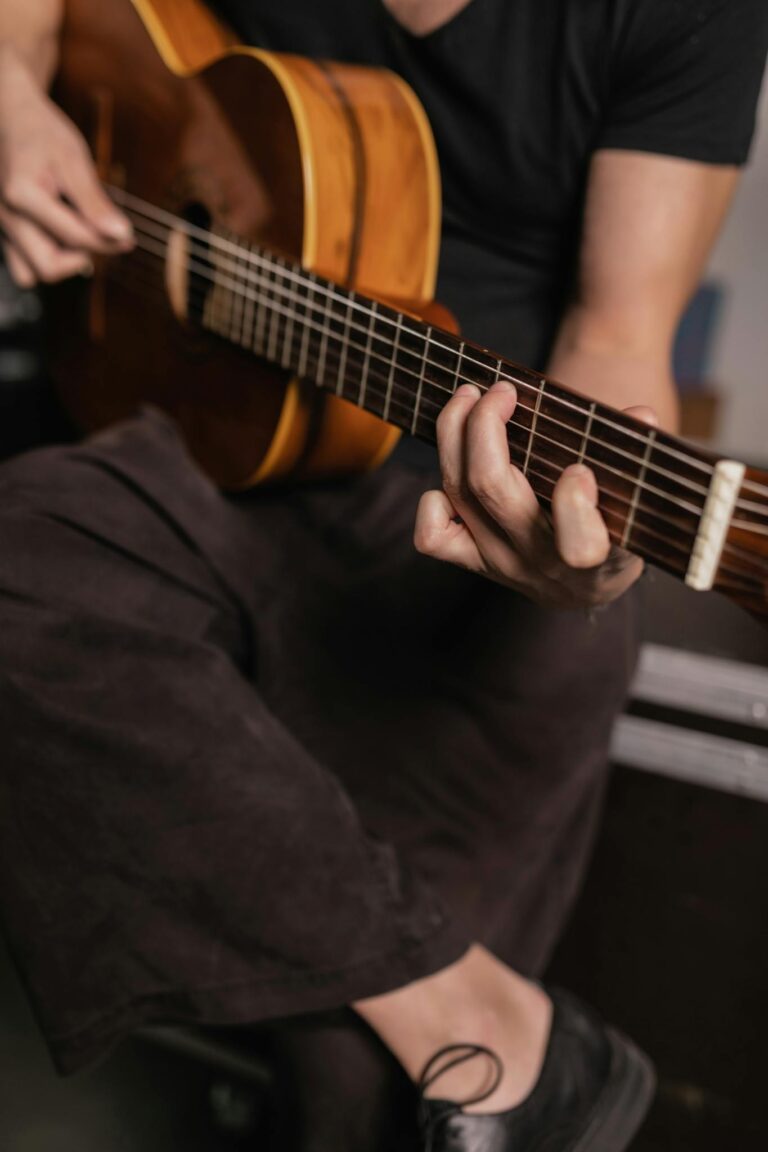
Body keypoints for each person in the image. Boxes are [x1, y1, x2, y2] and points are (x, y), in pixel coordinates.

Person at [0, 1, 766, 1149]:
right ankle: (477, 1015)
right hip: (200, 439)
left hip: (475, 539)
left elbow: (617, 342)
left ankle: (455, 1038)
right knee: (22, 550)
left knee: (370, 1099)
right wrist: (11, 96)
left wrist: (589, 565)